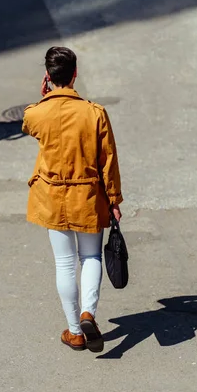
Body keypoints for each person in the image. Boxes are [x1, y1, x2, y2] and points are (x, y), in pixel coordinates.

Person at [22, 46, 123, 354]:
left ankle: (75, 332)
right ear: (75, 74)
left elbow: (28, 124)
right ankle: (88, 312)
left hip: (53, 196)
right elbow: (109, 160)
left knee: (64, 262)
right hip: (88, 195)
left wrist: (44, 98)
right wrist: (115, 199)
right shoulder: (94, 113)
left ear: (48, 77)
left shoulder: (37, 113)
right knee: (90, 257)